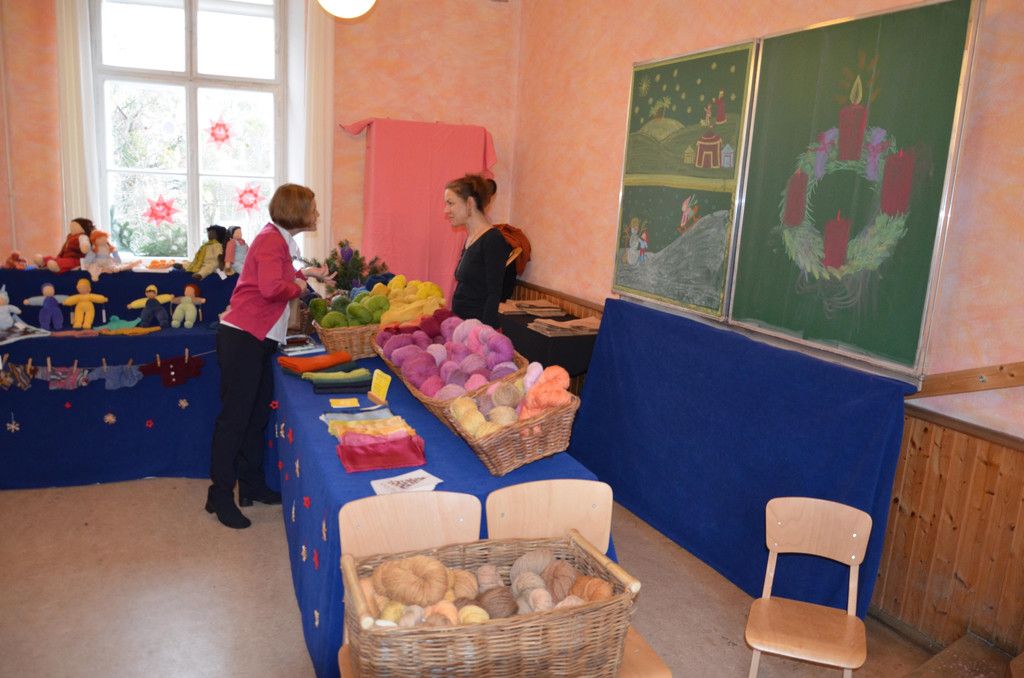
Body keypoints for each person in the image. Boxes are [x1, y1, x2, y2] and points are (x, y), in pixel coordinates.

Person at [206, 184, 332, 529]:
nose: (316, 214)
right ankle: (219, 494)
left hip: (258, 339)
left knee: (256, 416)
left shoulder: (277, 240)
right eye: (313, 208)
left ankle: (251, 485)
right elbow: (272, 288)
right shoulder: (270, 240)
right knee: (235, 419)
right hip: (243, 338)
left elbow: (279, 276)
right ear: (297, 210)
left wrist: (306, 274)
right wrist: (300, 286)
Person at [444, 174, 512, 328]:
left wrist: (483, 333)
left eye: (450, 203)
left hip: (478, 330)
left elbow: (494, 294)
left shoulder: (493, 240)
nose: (446, 210)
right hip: (463, 325)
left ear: (470, 203)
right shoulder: (471, 238)